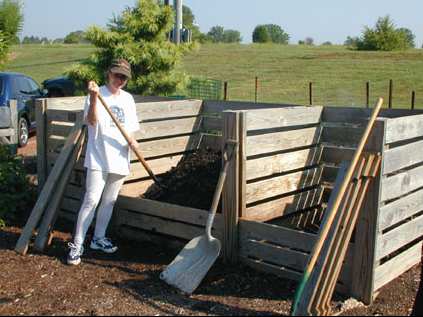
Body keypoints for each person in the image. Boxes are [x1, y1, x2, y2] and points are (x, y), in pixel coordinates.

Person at [67, 58, 140, 265]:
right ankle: (77, 244)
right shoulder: (97, 93)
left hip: (120, 157)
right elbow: (91, 121)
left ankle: (98, 239)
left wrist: (133, 141)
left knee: (109, 201)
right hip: (98, 157)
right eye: (117, 75)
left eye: (124, 77)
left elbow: (131, 127)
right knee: (91, 200)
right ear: (109, 73)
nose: (120, 80)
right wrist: (92, 98)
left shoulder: (128, 99)